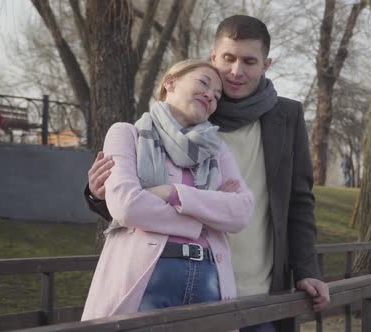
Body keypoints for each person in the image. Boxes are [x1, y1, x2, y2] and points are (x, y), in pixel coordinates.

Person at [85, 15, 330, 331]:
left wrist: (307, 269)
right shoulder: (171, 120)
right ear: (214, 56)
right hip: (190, 285)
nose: (236, 71)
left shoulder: (287, 116)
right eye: (228, 58)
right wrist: (96, 193)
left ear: (266, 65)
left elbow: (298, 201)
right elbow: (129, 202)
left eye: (249, 61)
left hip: (260, 289)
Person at [81, 59, 254, 320]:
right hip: (144, 279)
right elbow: (127, 206)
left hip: (209, 280)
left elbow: (241, 213)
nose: (210, 95)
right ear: (170, 83)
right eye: (203, 83)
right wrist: (205, 216)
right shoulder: (127, 135)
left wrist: (171, 193)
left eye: (217, 95)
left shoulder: (217, 150)